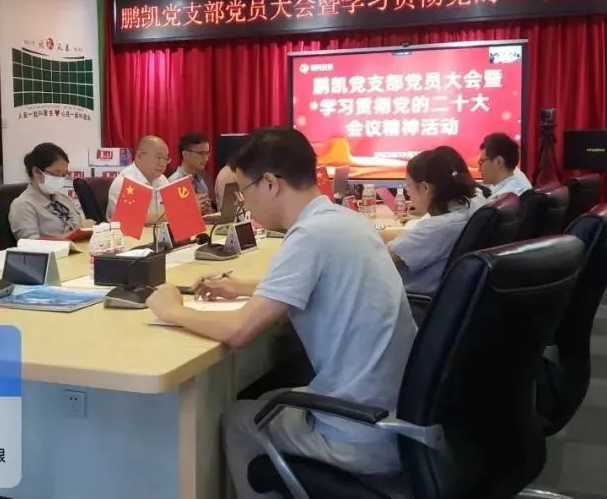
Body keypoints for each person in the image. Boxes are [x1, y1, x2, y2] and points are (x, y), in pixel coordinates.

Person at [146, 128, 417, 499]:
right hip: (395, 414)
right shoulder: (344, 221)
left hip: (359, 433)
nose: (244, 201)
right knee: (271, 397)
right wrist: (242, 287)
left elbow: (239, 330)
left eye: (243, 190)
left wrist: (173, 310)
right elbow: (319, 282)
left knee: (239, 419)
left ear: (270, 183)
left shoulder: (309, 235)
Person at [384, 149, 480, 295]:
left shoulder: (436, 228)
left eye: (408, 185)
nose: (407, 192)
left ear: (424, 187)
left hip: (411, 299)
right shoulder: (471, 207)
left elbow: (383, 257)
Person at [9, 143, 94, 239]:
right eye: (56, 173)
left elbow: (78, 224)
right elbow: (30, 243)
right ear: (36, 172)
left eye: (64, 174)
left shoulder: (63, 199)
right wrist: (72, 235)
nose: (60, 179)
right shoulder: (23, 205)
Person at [106, 135, 170, 224]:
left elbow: (175, 209)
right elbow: (135, 218)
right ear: (140, 156)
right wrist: (167, 214)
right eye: (158, 157)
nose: (163, 163)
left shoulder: (161, 179)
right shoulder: (125, 181)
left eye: (166, 159)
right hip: (125, 232)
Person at [168, 132, 215, 215]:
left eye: (207, 153)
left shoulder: (202, 179)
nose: (206, 158)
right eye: (201, 153)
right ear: (185, 154)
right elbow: (172, 215)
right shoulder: (174, 182)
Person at [479, 132, 532, 196]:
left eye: (481, 161)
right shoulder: (516, 184)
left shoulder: (506, 197)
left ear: (498, 162)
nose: (479, 169)